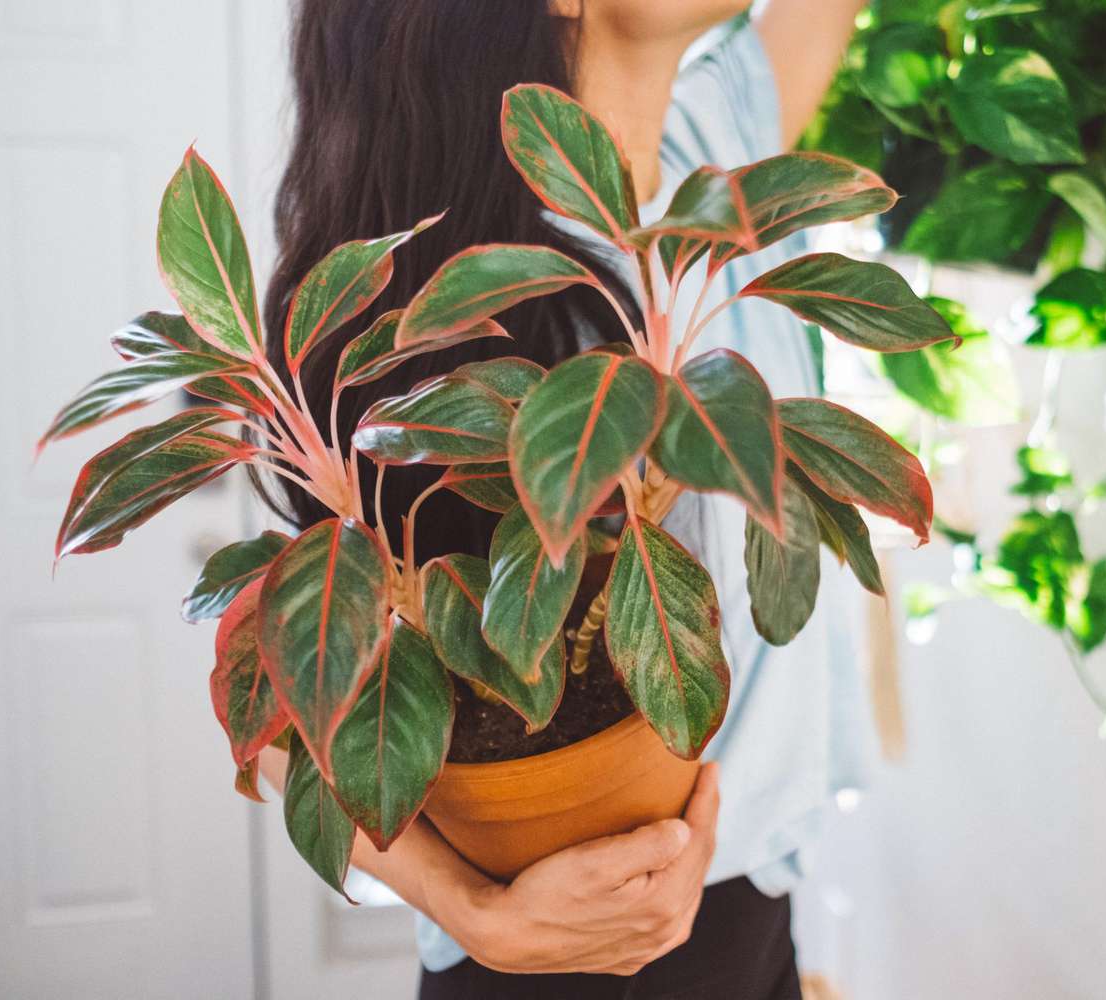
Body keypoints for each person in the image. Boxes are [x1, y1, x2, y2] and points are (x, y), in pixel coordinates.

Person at [254, 1, 870, 996]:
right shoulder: (469, 304)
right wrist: (474, 913)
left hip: (754, 907)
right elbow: (286, 712)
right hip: (572, 951)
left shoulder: (710, 149)